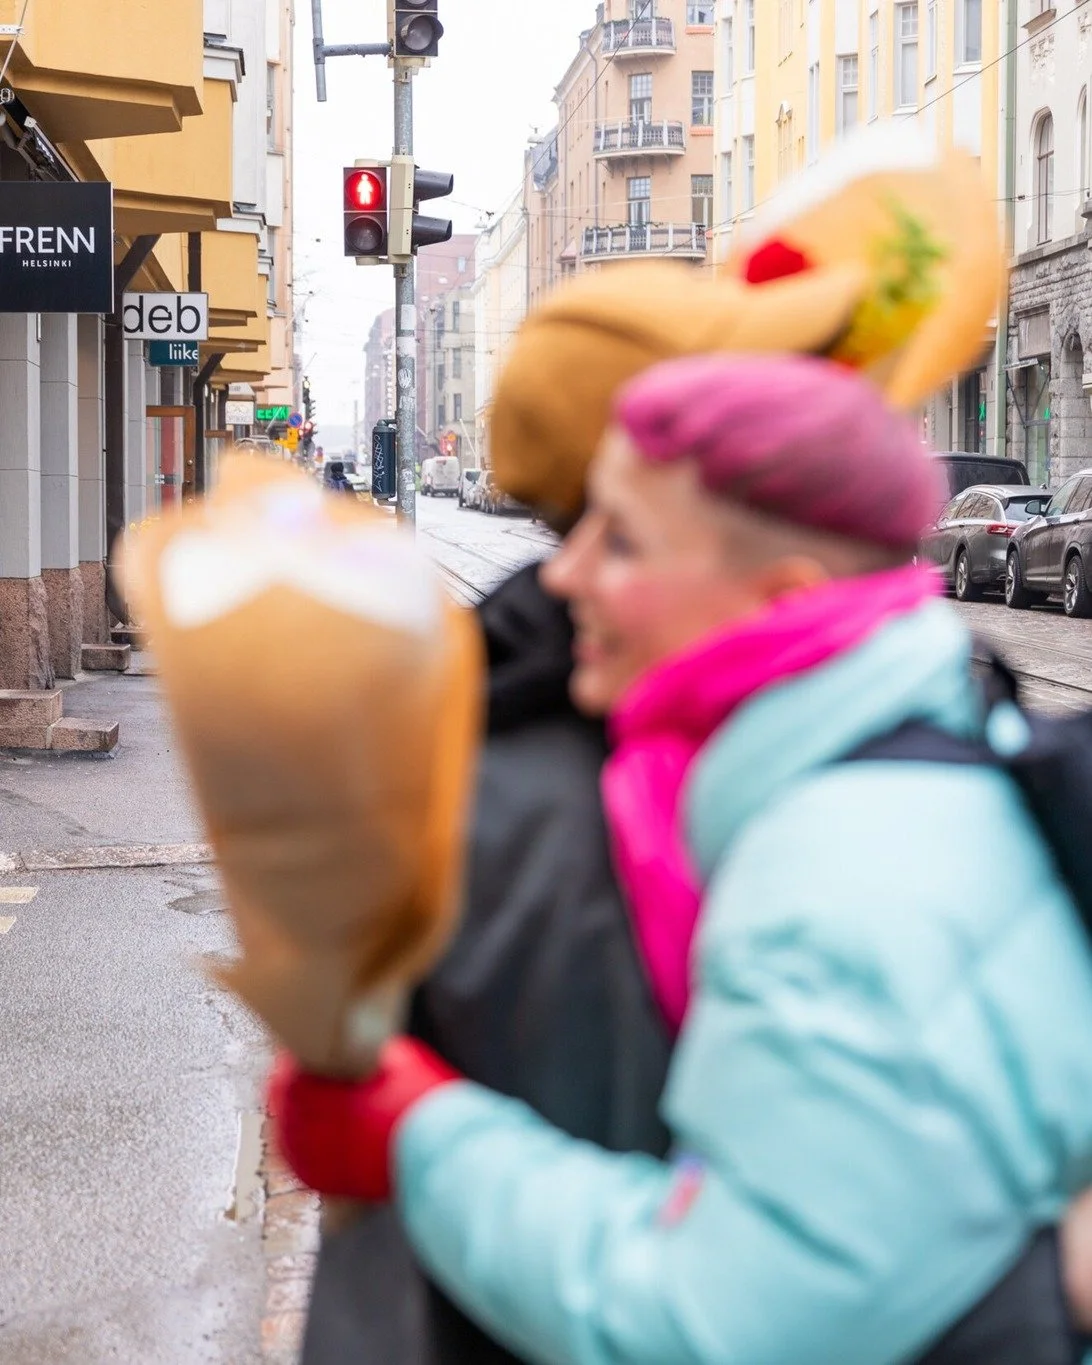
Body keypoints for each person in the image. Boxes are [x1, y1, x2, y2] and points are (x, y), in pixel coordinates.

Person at [274, 354, 1092, 1365]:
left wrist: (417, 1133)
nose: (563, 575)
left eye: (620, 541)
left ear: (777, 599)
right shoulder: (908, 757)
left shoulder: (838, 886)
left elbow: (718, 1327)